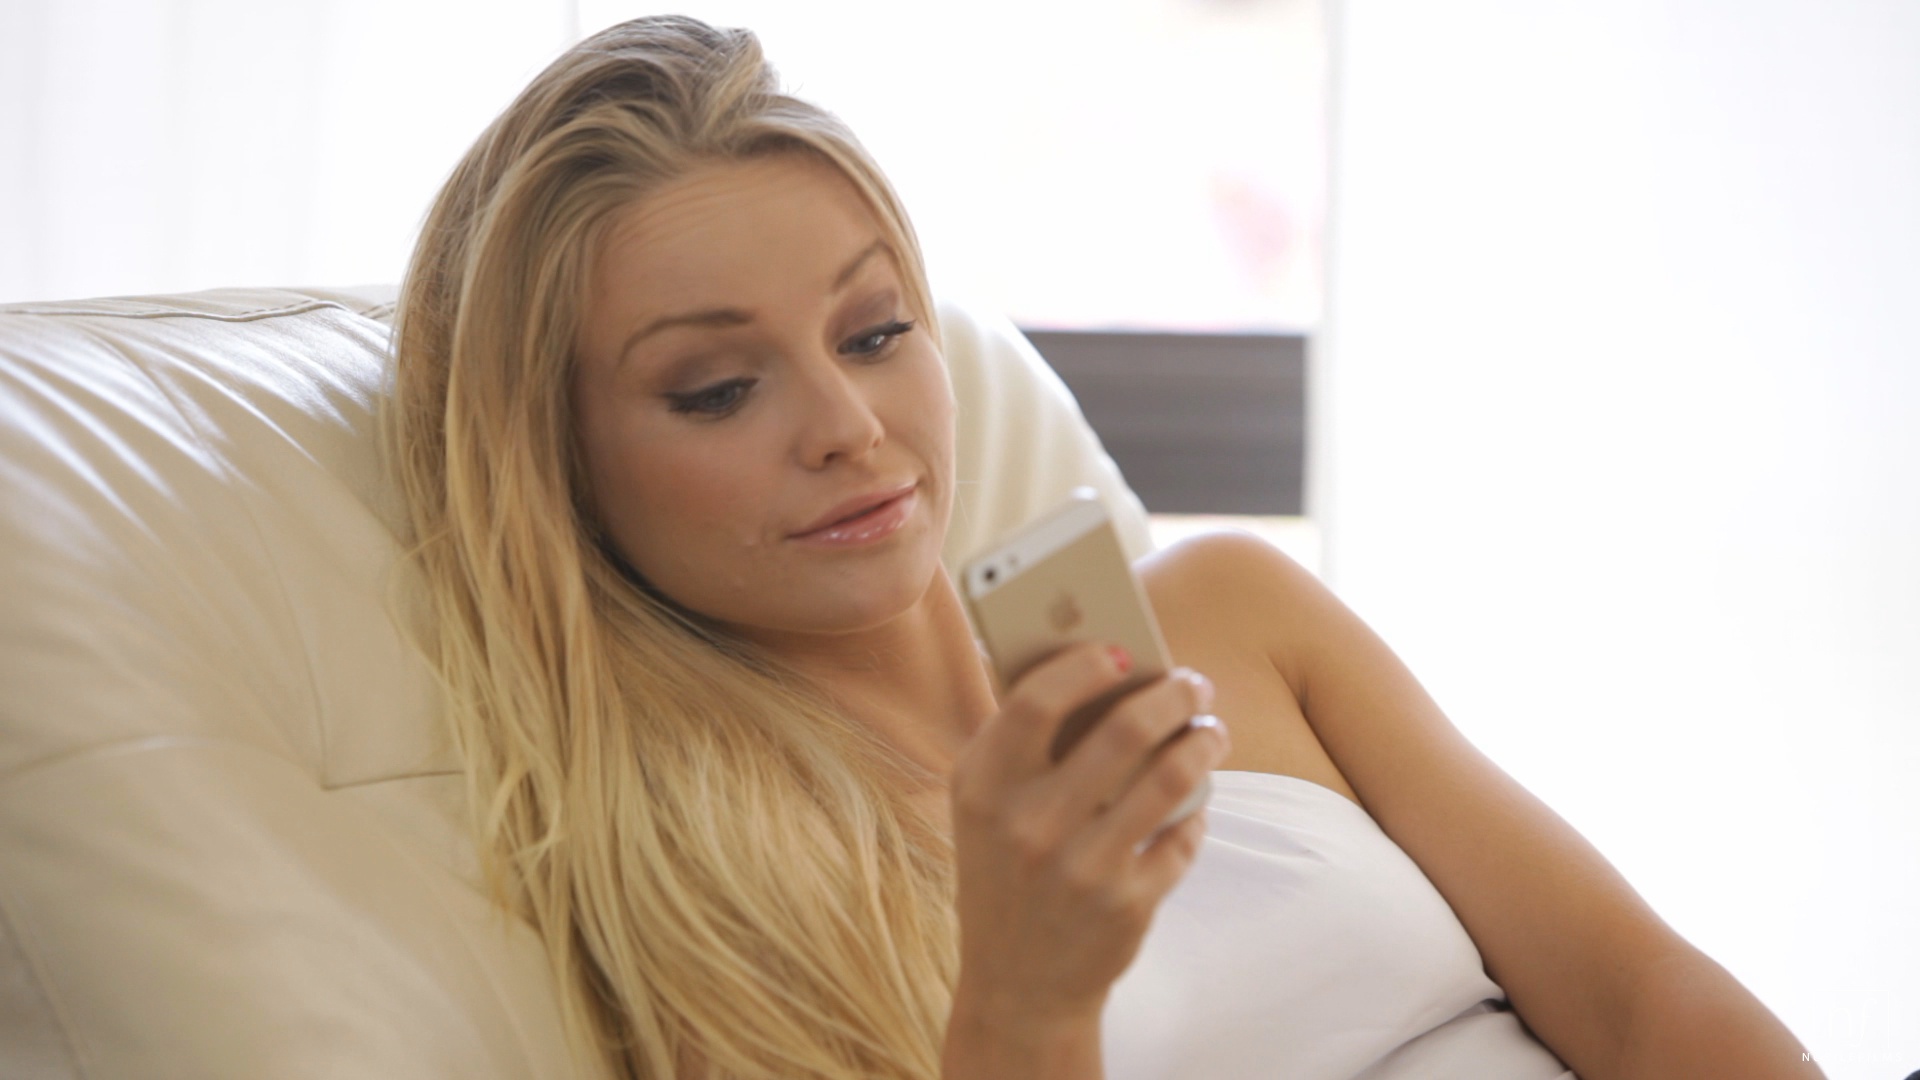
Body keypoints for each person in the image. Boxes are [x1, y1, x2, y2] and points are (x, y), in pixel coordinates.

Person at [383, 15, 1821, 1080]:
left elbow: (1643, 999)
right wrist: (1028, 999)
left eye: (875, 332)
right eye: (716, 389)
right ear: (557, 459)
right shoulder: (690, 879)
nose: (849, 427)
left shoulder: (1232, 613)